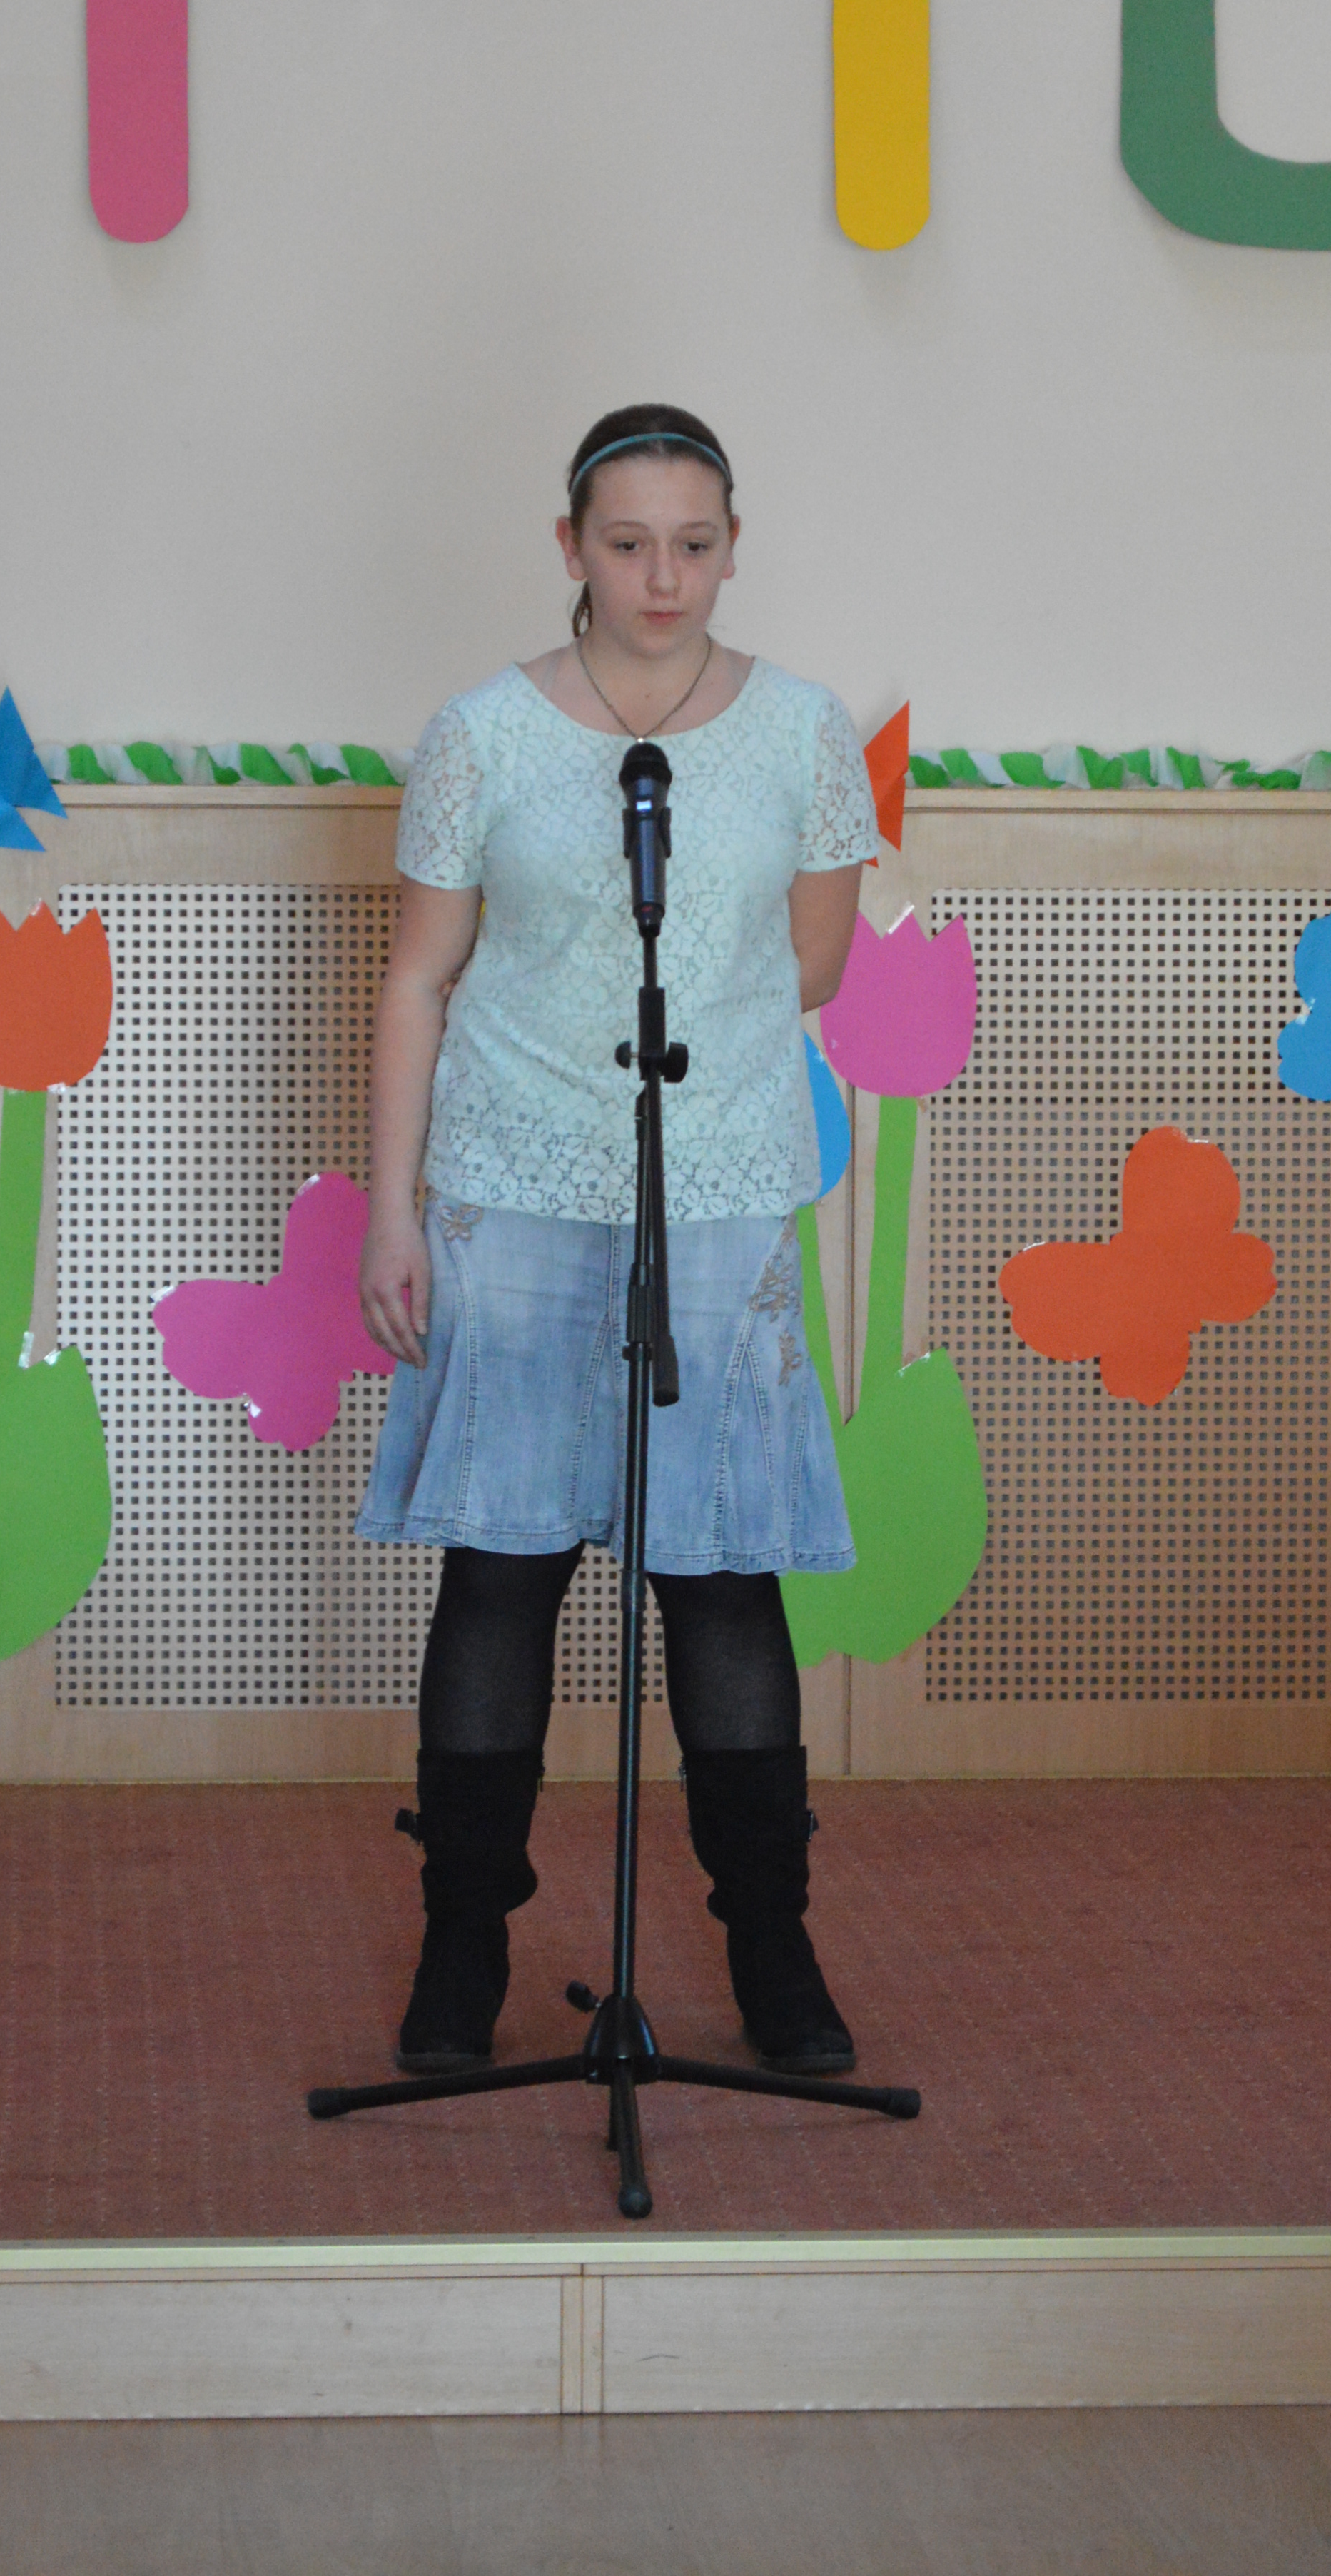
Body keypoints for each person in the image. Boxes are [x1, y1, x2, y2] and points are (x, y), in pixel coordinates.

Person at [358, 403, 877, 2081]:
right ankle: (462, 1946)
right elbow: (421, 976)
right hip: (511, 1183)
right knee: (502, 1570)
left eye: (696, 545)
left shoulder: (803, 731)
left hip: (714, 1188)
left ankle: (773, 1944)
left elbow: (811, 966)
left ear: (734, 548)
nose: (665, 577)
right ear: (570, 546)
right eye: (630, 543)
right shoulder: (482, 734)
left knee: (719, 1574)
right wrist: (392, 1210)